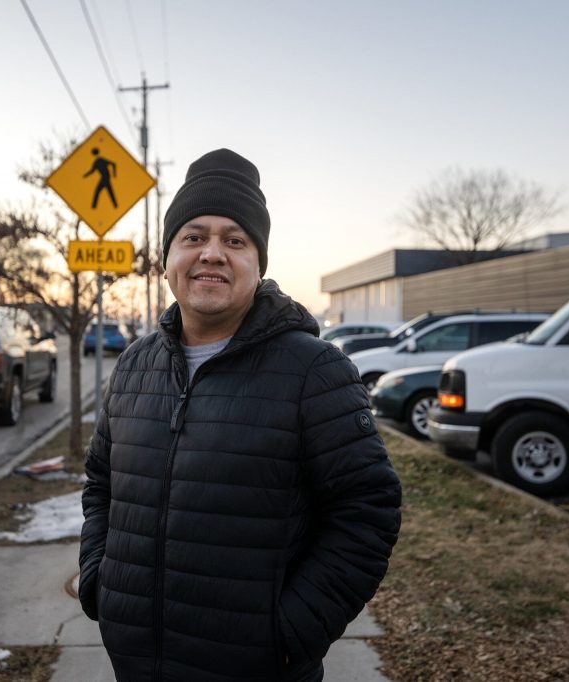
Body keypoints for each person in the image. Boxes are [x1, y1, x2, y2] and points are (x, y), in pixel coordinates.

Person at [79, 149, 402, 682]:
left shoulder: (314, 370)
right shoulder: (135, 364)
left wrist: (290, 632)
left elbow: (366, 513)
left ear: (258, 263)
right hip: (136, 662)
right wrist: (99, 579)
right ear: (168, 259)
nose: (212, 253)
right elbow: (101, 484)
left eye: (235, 240)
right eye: (193, 237)